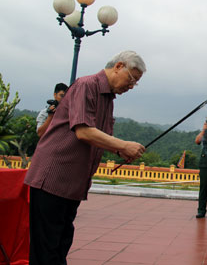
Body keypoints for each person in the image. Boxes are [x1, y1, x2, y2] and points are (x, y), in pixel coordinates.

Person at [24, 50, 147, 265]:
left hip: (72, 183)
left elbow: (101, 137)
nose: (131, 86)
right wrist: (123, 145)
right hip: (53, 177)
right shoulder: (86, 85)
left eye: (135, 83)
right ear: (118, 66)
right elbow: (84, 131)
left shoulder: (108, 99)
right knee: (46, 248)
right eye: (131, 79)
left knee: (61, 243)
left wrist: (120, 151)